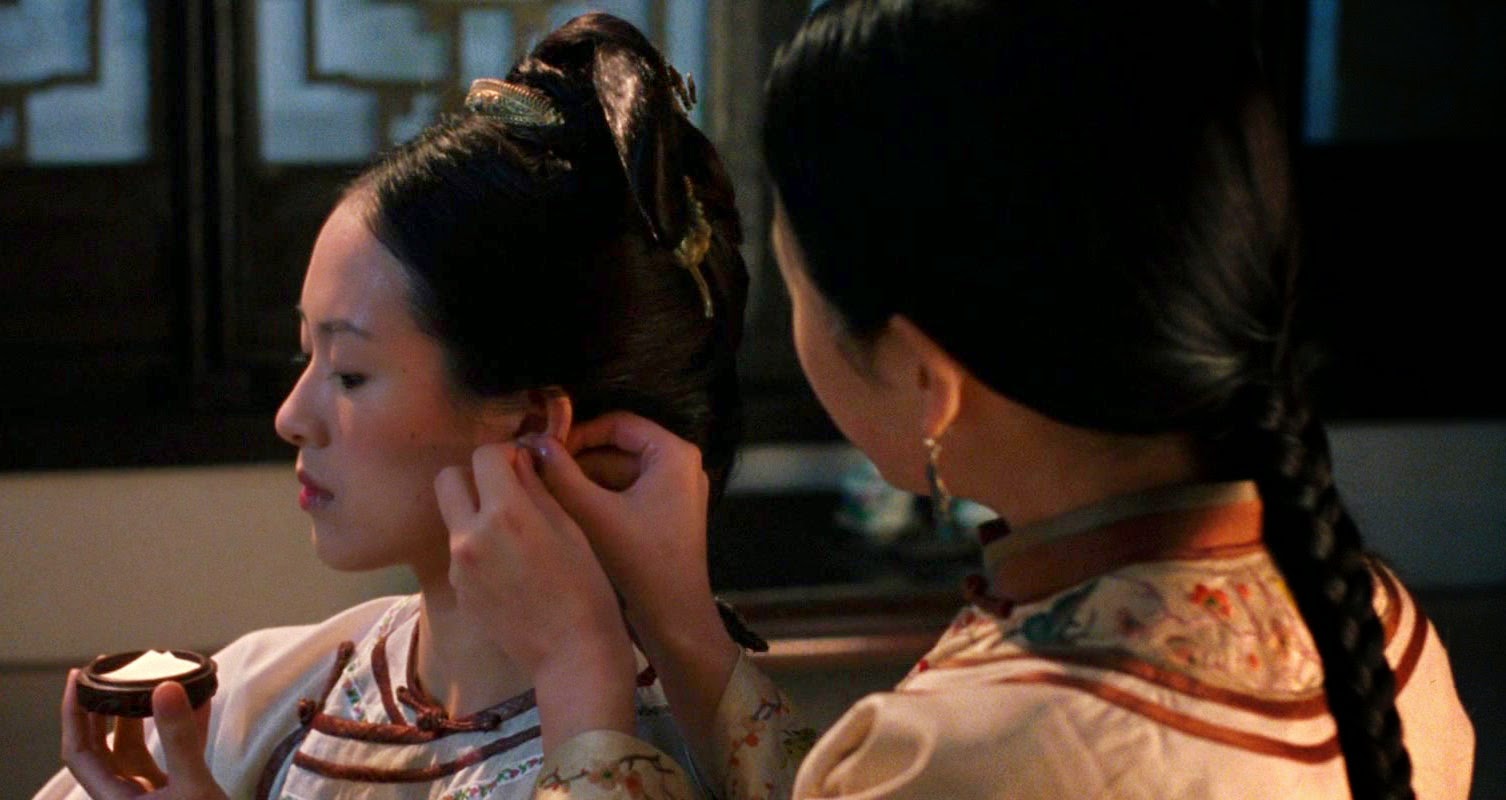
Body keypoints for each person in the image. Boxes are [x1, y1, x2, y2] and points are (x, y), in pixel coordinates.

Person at [453, 1, 1476, 798]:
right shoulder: (1376, 624)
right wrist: (681, 623)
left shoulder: (977, 755)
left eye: (797, 288)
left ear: (922, 375)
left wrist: (580, 670)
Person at [37, 13, 749, 800]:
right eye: (304, 356)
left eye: (349, 374)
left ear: (528, 425)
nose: (290, 418)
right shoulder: (260, 694)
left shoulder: (656, 755)